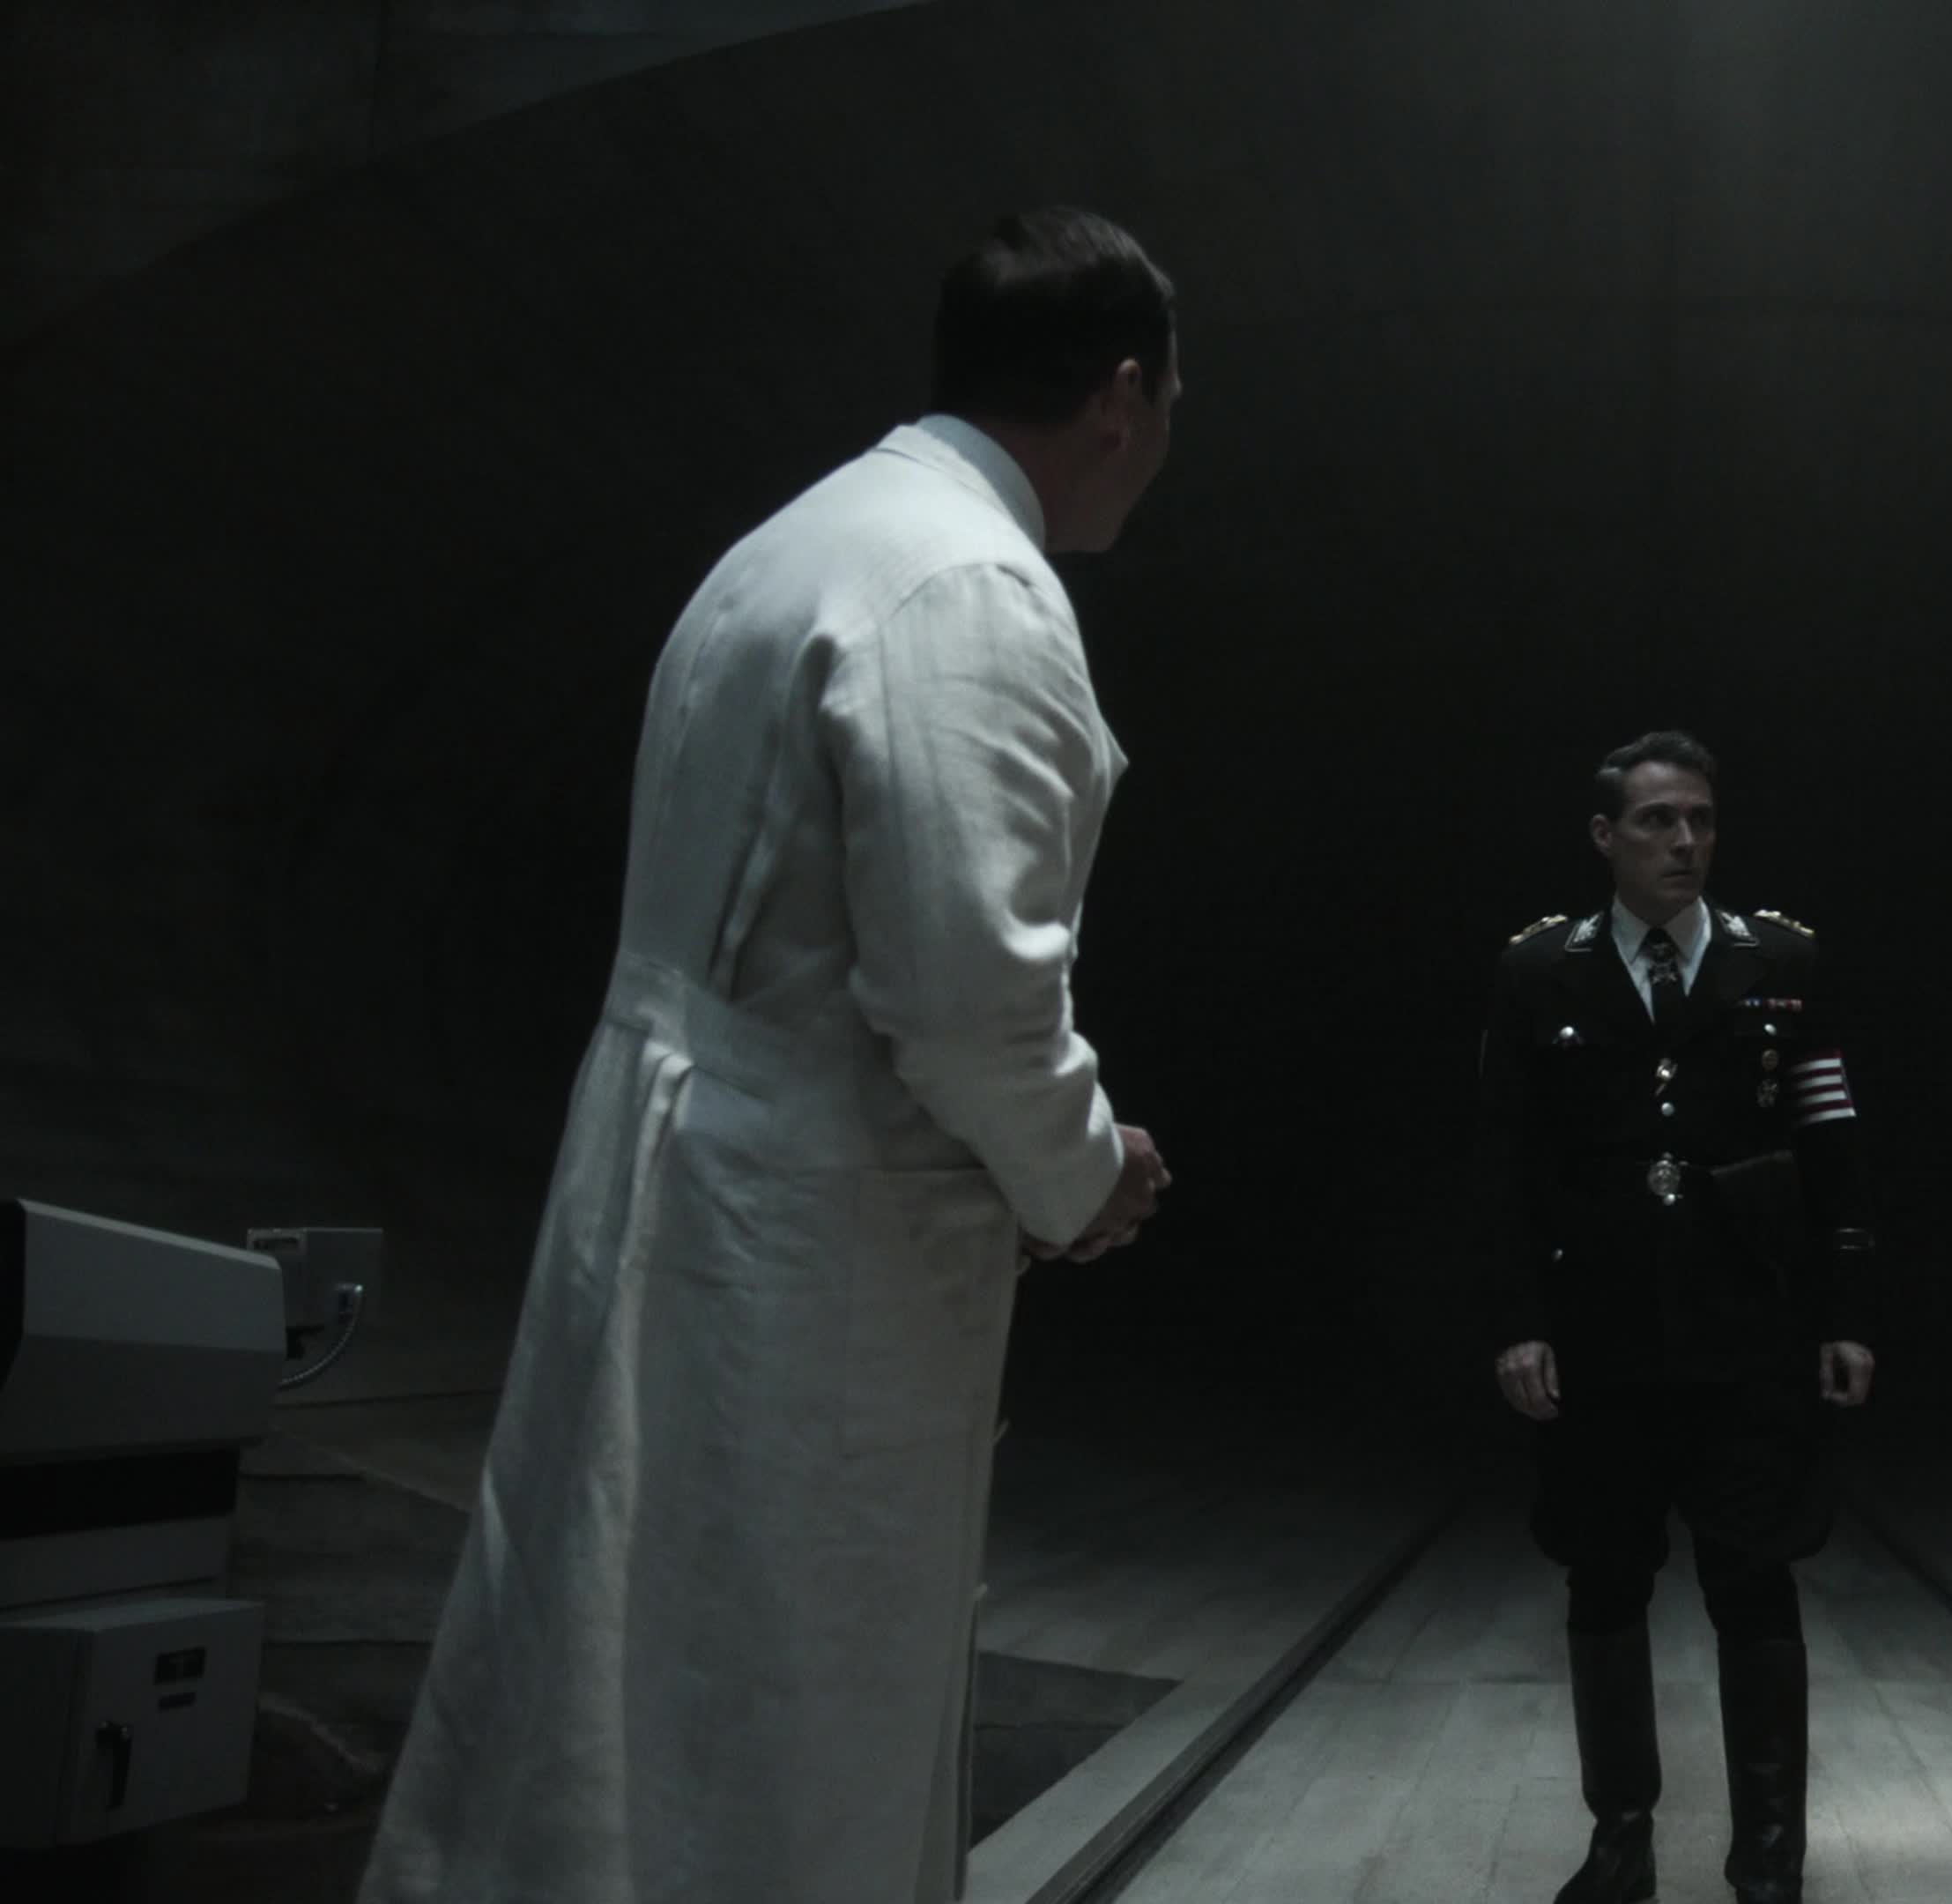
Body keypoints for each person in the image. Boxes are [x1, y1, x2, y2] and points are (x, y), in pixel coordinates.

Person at [355, 205, 1182, 1904]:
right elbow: (965, 999)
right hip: (808, 1247)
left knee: (610, 1683)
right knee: (781, 1733)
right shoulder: (974, 590)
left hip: (678, 1175)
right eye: (1169, 406)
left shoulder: (795, 542)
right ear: (1120, 396)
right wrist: (1091, 1172)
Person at [1481, 730, 1881, 1904]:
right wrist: (1517, 1318)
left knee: (1755, 1577)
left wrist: (1847, 1312)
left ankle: (1770, 1857)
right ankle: (1621, 1841)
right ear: (1605, 836)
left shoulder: (1782, 963)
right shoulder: (1539, 972)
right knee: (1604, 1578)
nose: (1686, 841)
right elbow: (1504, 1166)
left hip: (1746, 1327)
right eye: (1659, 820)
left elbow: (1833, 1149)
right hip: (1598, 1332)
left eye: (1701, 819)